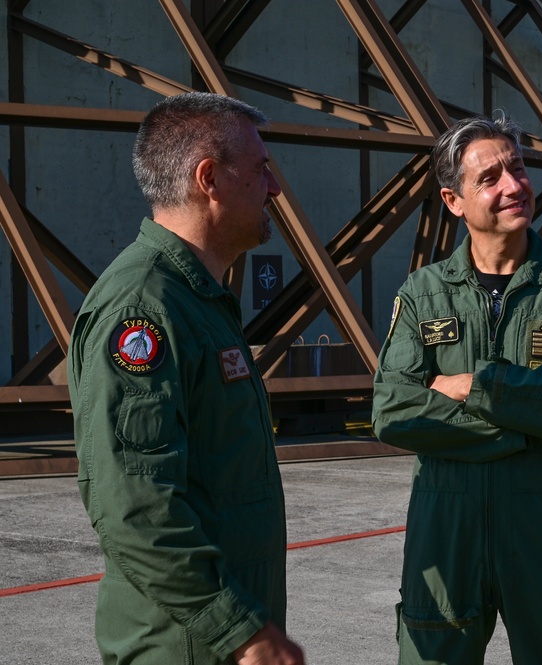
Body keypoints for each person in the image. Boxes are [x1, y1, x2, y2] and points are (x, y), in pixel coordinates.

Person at [371, 115, 542, 665]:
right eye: (490, 177)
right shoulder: (424, 291)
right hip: (445, 531)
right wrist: (531, 423)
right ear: (454, 200)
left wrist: (475, 385)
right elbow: (393, 410)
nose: (513, 185)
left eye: (518, 168)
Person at [68, 92, 305, 664]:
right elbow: (135, 503)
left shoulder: (197, 299)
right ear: (209, 179)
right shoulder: (143, 307)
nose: (274, 188)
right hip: (187, 647)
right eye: (260, 169)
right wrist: (239, 631)